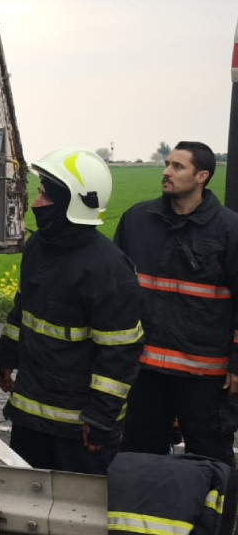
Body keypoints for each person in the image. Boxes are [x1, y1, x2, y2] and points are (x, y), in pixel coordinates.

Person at [0, 148, 143, 475]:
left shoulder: (109, 270)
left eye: (46, 195)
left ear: (73, 203)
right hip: (29, 416)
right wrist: (6, 356)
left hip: (81, 430)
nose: (35, 203)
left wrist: (100, 419)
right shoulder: (37, 248)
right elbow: (24, 310)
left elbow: (118, 354)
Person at [116, 141, 238, 466]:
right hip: (145, 374)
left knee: (212, 465)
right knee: (140, 463)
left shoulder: (229, 231)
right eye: (167, 164)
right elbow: (117, 292)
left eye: (177, 166)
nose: (166, 172)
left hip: (204, 379)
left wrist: (236, 365)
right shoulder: (136, 220)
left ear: (202, 176)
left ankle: (214, 519)